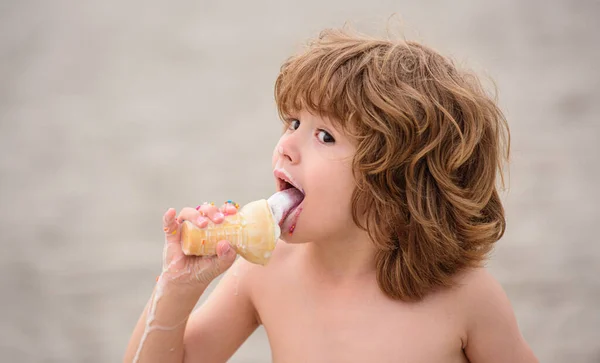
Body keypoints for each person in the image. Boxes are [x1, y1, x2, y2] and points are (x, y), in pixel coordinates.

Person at [124, 27, 538, 363]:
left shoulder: (466, 298)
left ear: (396, 181)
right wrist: (177, 287)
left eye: (324, 136)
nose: (287, 145)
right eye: (293, 122)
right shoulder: (265, 271)